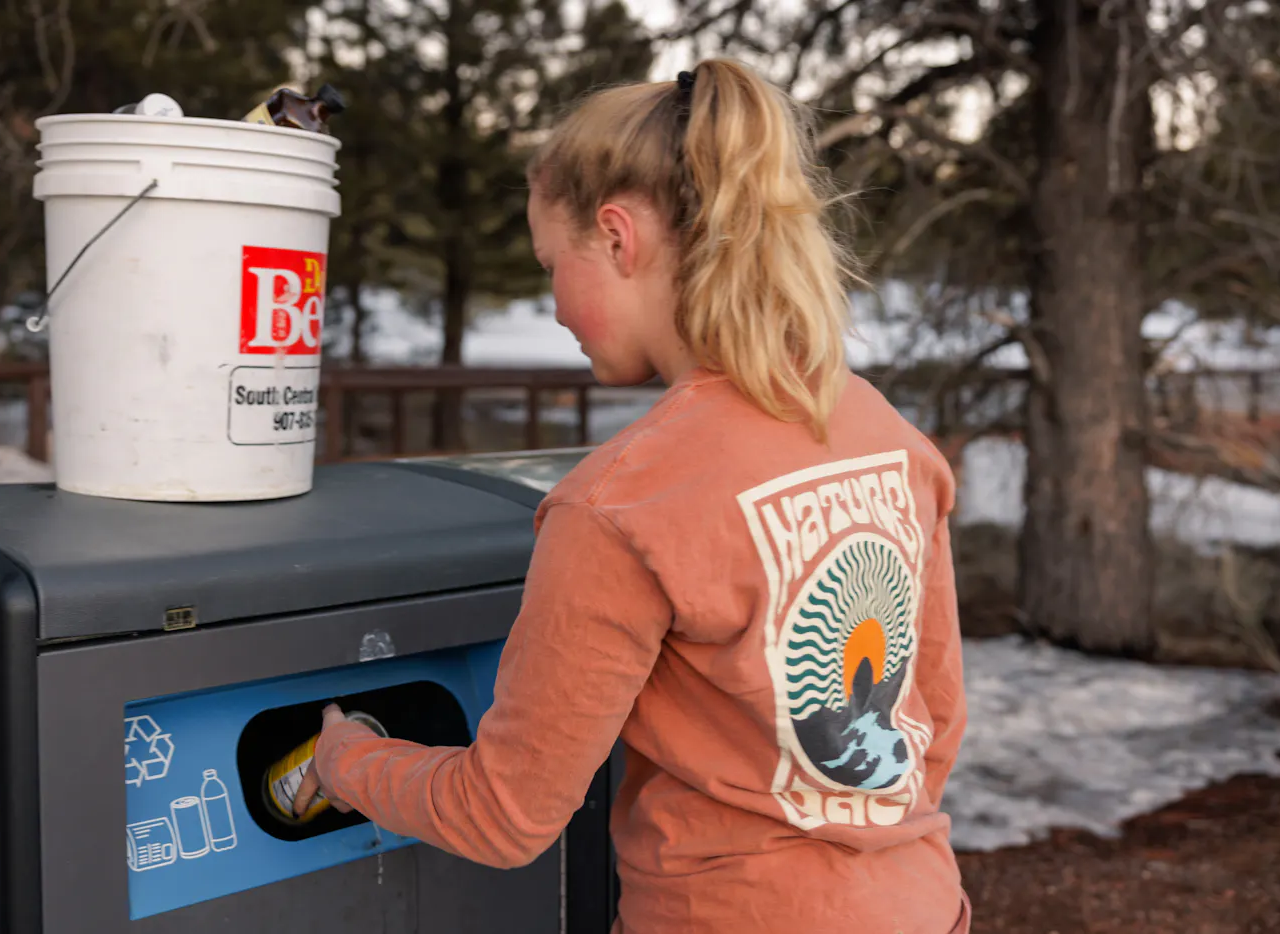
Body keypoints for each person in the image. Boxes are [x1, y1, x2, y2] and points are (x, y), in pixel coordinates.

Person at [295, 58, 970, 933]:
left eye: (551, 265)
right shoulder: (883, 431)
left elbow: (503, 814)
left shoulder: (618, 507)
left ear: (618, 237)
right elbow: (935, 719)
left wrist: (346, 758)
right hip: (920, 905)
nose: (554, 307)